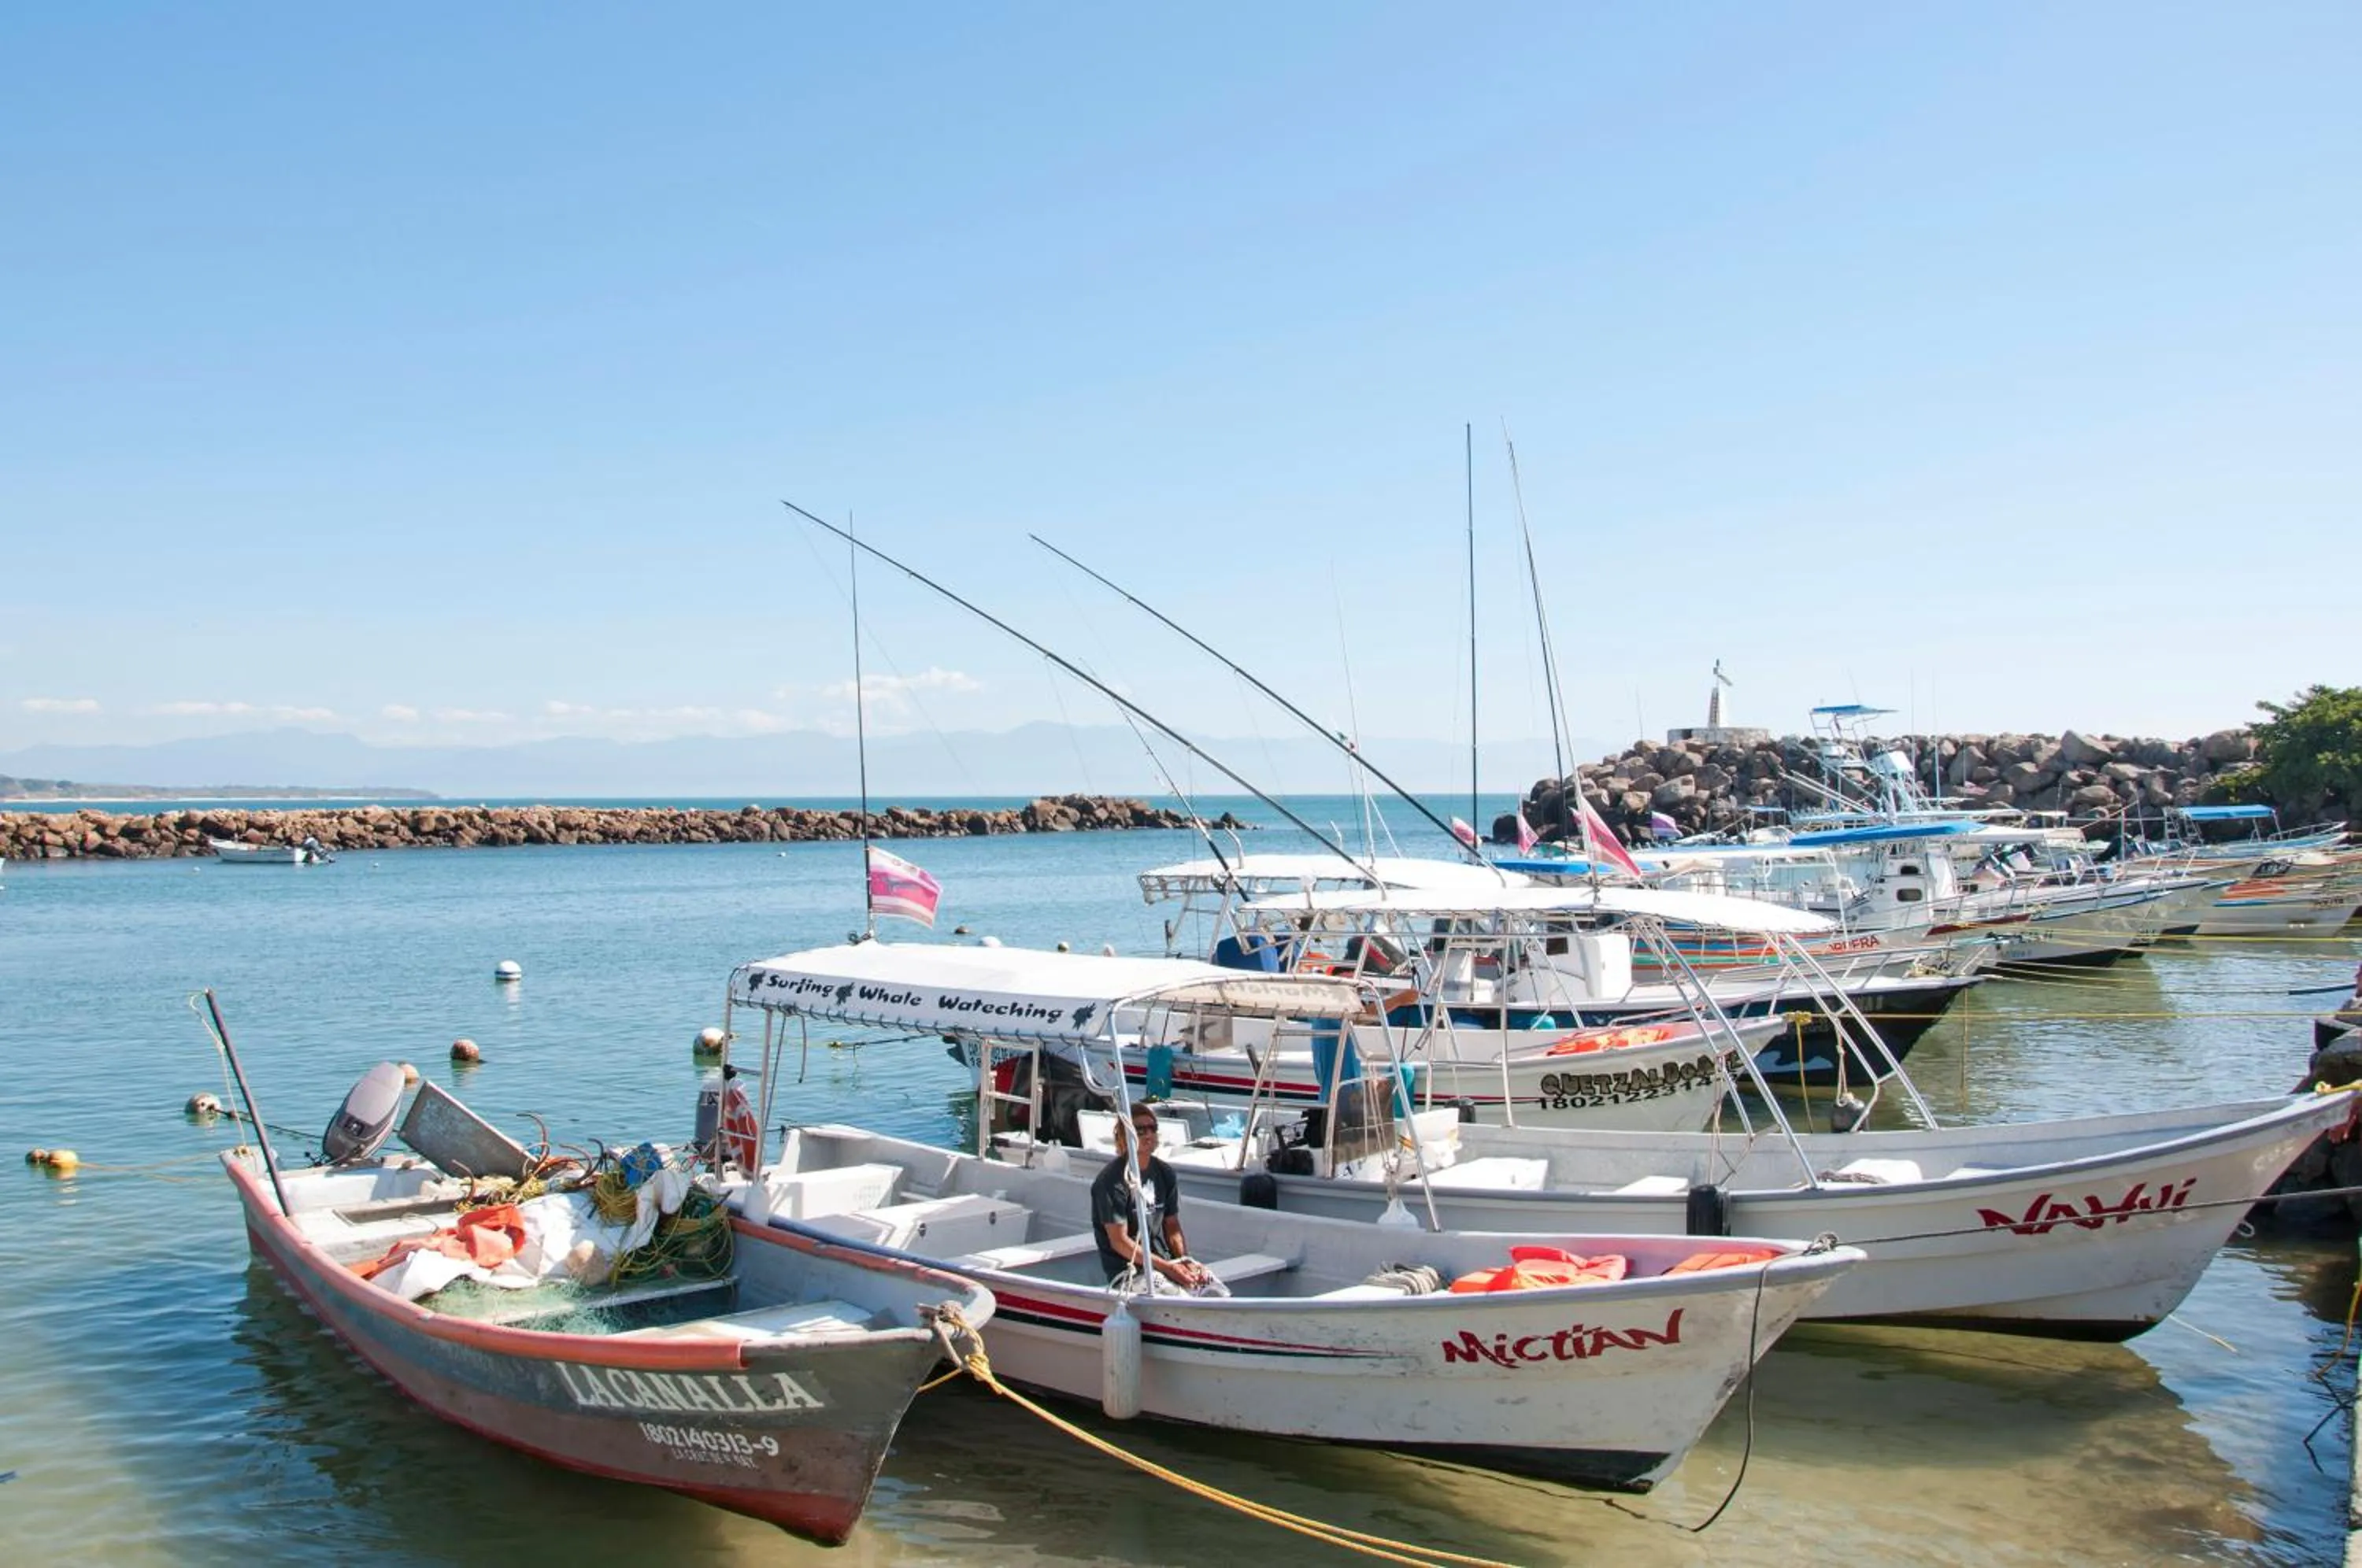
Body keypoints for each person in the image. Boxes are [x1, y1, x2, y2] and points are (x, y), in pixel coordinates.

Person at [1091, 1105, 1212, 1292]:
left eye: (1152, 1128)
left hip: (1162, 1261)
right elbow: (1119, 1241)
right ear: (1125, 1135)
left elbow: (1172, 1226)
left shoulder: (1165, 1173)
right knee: (1173, 1293)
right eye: (1140, 1130)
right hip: (1129, 1271)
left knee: (1209, 1287)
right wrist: (1169, 1269)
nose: (1148, 1134)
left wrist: (1185, 1260)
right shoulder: (1112, 1181)